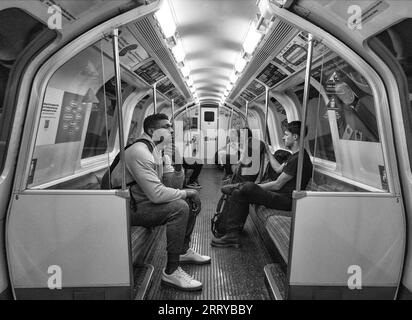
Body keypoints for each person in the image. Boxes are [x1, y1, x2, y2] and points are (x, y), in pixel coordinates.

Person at [111, 113, 210, 291]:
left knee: (186, 202)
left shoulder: (156, 150)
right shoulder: (139, 152)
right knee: (180, 207)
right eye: (166, 126)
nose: (172, 129)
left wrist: (178, 162)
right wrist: (188, 192)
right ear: (152, 131)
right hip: (124, 208)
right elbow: (157, 194)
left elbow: (172, 185)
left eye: (171, 126)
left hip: (141, 202)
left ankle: (183, 251)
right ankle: (171, 272)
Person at [211, 121, 313, 248]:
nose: (283, 137)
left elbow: (277, 185)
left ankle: (238, 187)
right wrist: (268, 152)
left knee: (246, 187)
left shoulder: (300, 159)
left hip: (286, 200)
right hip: (280, 196)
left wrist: (252, 187)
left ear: (295, 137)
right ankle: (233, 234)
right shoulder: (293, 157)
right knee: (240, 192)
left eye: (286, 135)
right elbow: (277, 169)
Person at [182, 118, 203, 189]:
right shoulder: (182, 135)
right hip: (181, 158)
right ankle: (191, 182)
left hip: (183, 157)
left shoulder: (186, 135)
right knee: (199, 163)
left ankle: (193, 180)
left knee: (198, 160)